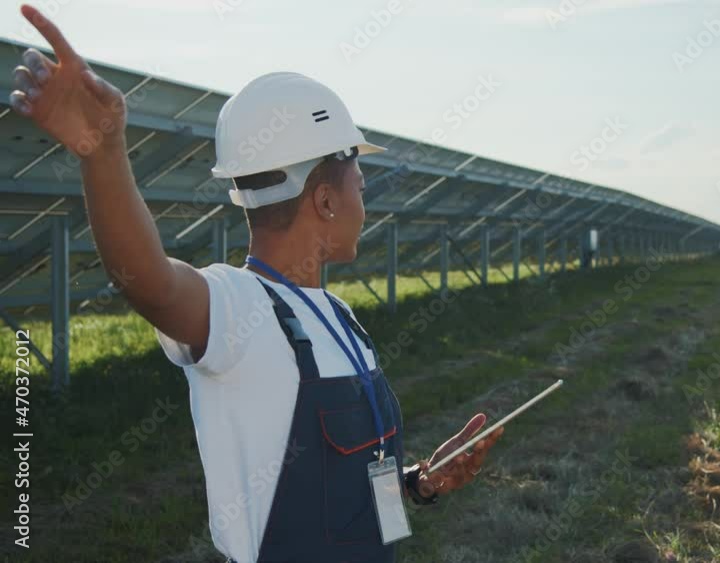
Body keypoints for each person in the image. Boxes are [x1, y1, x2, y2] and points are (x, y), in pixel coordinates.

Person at [9, 5, 504, 562]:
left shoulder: (341, 320)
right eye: (359, 188)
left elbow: (358, 482)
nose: (365, 207)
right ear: (324, 200)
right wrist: (102, 152)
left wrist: (421, 482)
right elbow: (149, 283)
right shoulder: (240, 308)